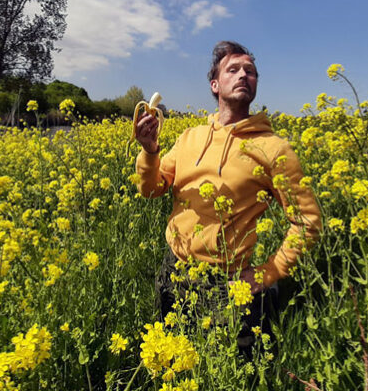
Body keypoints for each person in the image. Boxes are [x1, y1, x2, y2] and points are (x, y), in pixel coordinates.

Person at [134, 40, 322, 354]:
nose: (243, 75)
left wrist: (266, 274)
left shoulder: (274, 148)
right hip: (174, 270)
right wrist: (150, 151)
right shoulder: (190, 137)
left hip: (226, 285)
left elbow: (308, 222)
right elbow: (151, 189)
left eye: (250, 71)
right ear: (215, 85)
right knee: (172, 363)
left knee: (230, 372)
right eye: (233, 69)